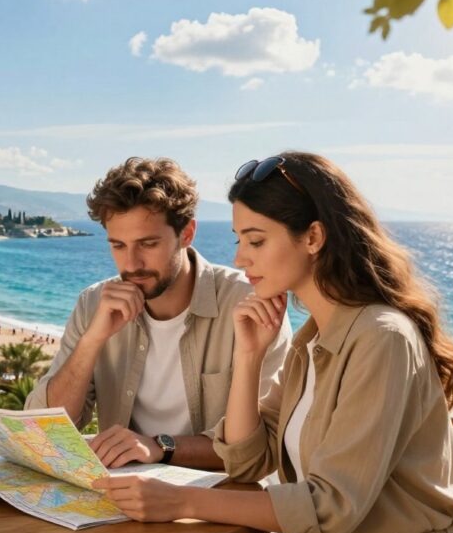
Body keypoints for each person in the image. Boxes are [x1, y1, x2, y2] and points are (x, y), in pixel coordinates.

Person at [93, 152, 453, 533]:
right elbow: (246, 460)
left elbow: (332, 507)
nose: (240, 258)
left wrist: (181, 501)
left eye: (256, 240)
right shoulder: (311, 341)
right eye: (239, 240)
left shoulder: (381, 337)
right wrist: (249, 358)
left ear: (313, 237)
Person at [26, 157, 290, 470]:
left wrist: (158, 447)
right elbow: (45, 430)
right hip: (125, 490)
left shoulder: (248, 305)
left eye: (148, 244)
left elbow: (257, 447)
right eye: (118, 246)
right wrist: (92, 340)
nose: (131, 264)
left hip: (219, 492)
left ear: (187, 233)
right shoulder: (93, 304)